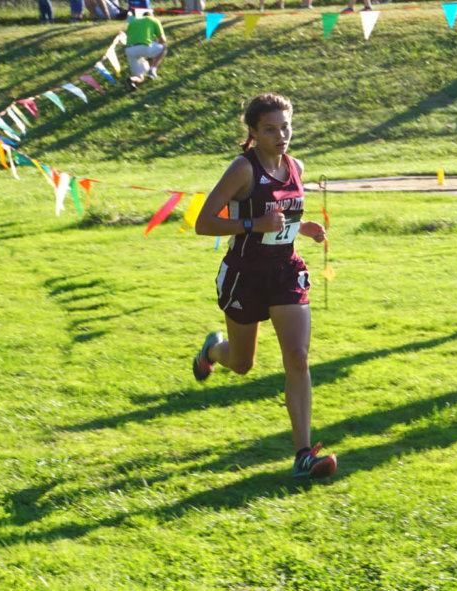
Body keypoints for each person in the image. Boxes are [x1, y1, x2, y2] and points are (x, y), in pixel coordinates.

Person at [192, 92, 336, 480]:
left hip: (286, 271)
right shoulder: (243, 169)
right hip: (245, 274)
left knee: (298, 357)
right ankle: (212, 349)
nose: (281, 135)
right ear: (253, 132)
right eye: (270, 129)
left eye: (286, 127)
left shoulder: (296, 166)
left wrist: (302, 228)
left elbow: (283, 217)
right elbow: (203, 223)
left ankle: (303, 455)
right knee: (242, 364)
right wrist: (253, 225)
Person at [123, 8, 166, 92]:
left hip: (129, 49)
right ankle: (152, 70)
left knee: (140, 77)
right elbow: (163, 40)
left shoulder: (133, 22)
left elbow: (130, 36)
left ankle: (131, 79)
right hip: (143, 47)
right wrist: (154, 54)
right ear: (152, 15)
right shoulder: (154, 20)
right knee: (163, 47)